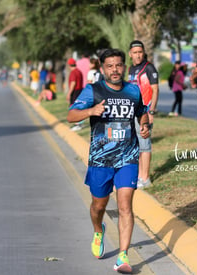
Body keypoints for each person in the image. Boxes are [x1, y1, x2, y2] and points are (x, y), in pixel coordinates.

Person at [67, 48, 149, 273]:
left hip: (128, 157)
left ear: (124, 66)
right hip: (101, 159)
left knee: (125, 206)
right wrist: (91, 110)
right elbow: (70, 115)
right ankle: (98, 230)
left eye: (119, 65)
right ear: (103, 68)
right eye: (110, 66)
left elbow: (142, 111)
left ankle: (122, 256)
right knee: (98, 206)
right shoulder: (93, 90)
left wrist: (144, 125)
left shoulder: (133, 90)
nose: (115, 70)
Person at [128, 40, 159, 188]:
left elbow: (155, 90)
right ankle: (140, 176)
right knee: (137, 145)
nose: (138, 55)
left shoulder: (149, 68)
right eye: (135, 52)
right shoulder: (130, 70)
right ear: (130, 54)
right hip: (132, 113)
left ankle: (145, 179)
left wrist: (151, 111)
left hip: (144, 113)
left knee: (145, 144)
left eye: (140, 52)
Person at [66, 58, 84, 131]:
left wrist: (69, 93)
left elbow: (73, 83)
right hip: (80, 91)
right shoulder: (79, 71)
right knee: (79, 108)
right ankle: (80, 124)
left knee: (74, 109)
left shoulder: (73, 72)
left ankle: (78, 125)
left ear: (69, 65)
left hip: (75, 92)